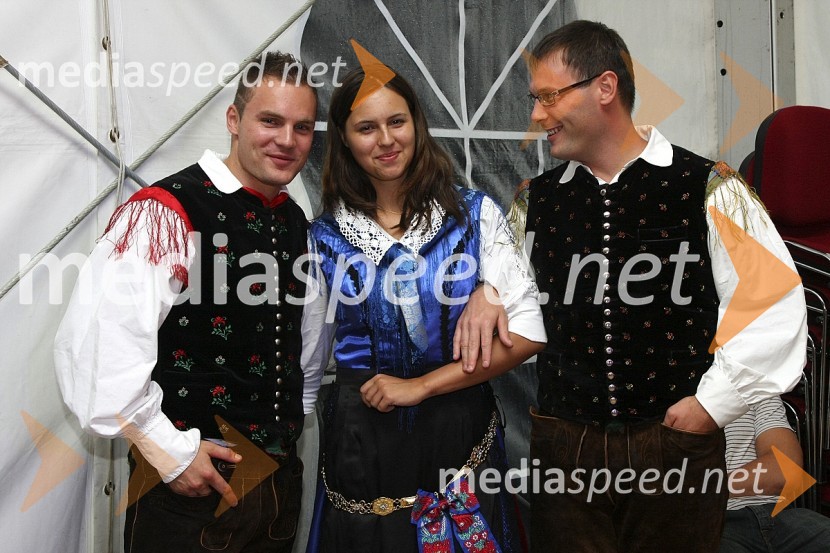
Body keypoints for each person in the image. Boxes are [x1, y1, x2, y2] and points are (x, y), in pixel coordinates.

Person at [454, 19, 808, 552]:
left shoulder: (709, 186)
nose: (535, 115)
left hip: (674, 446)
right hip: (567, 455)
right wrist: (488, 290)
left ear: (604, 88)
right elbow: (512, 297)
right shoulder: (536, 203)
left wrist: (712, 404)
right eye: (535, 99)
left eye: (548, 97)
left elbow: (774, 303)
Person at [53, 51, 325, 553]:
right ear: (234, 120)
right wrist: (171, 454)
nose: (287, 140)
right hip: (190, 496)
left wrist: (291, 420)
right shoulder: (166, 212)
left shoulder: (294, 220)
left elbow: (304, 342)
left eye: (302, 127)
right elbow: (97, 352)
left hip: (277, 490)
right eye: (270, 120)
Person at [302, 65, 546, 553]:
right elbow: (309, 366)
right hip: (365, 444)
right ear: (345, 141)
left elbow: (530, 334)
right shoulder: (322, 239)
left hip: (459, 431)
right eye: (366, 128)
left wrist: (421, 385)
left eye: (397, 121)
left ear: (417, 123)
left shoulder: (476, 215)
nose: (386, 140)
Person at [720, 396, 830, 552]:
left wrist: (706, 487)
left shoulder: (755, 388)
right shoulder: (677, 405)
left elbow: (784, 470)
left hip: (782, 515)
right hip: (716, 523)